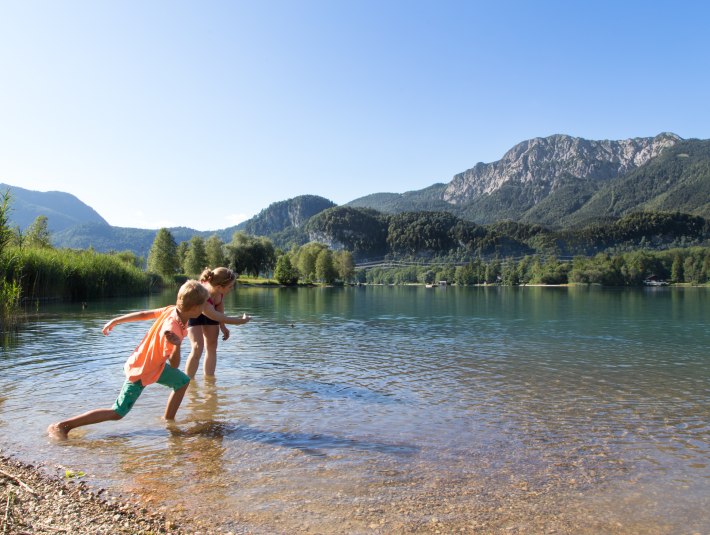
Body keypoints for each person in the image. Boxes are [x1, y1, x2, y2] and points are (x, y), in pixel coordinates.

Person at [47, 280, 210, 440]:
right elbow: (174, 364)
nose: (205, 308)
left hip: (154, 366)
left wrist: (117, 320)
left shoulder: (172, 310)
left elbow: (145, 314)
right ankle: (63, 426)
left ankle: (168, 422)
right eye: (203, 305)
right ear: (195, 308)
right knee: (117, 413)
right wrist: (177, 345)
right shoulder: (172, 330)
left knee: (182, 382)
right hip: (143, 369)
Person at [184, 267, 250, 379]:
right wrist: (241, 321)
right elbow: (215, 315)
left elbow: (219, 306)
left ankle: (209, 382)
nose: (231, 289)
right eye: (230, 287)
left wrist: (223, 326)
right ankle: (188, 382)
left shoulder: (219, 291)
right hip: (194, 312)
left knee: (212, 346)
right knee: (197, 347)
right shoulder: (203, 294)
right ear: (219, 287)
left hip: (212, 311)